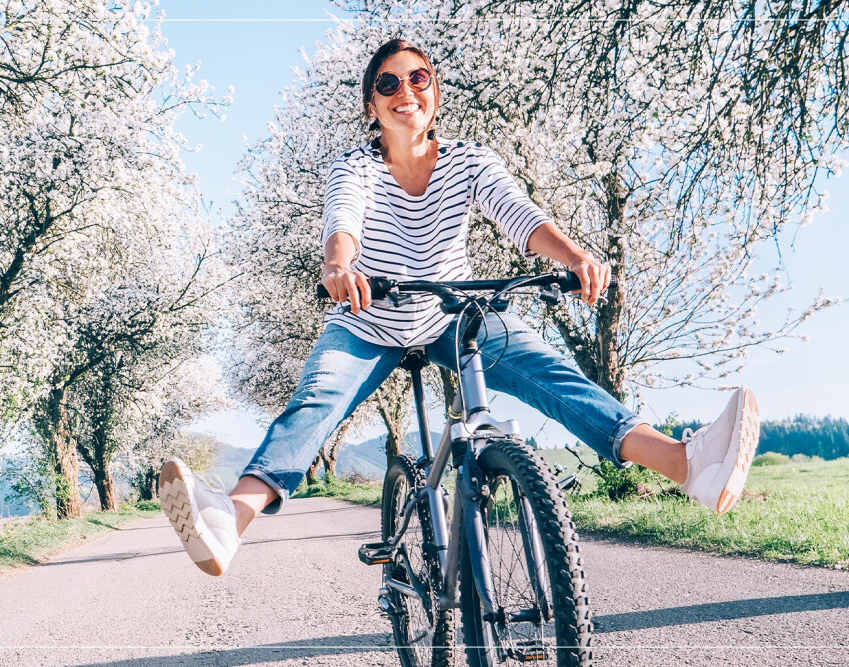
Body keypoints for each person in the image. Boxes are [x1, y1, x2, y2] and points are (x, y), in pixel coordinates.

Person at [158, 38, 760, 577]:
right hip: (370, 320)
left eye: (418, 78)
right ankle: (228, 522)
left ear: (435, 94)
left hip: (454, 314)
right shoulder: (357, 168)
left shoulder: (470, 161)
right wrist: (339, 267)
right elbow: (343, 224)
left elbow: (518, 213)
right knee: (315, 403)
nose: (405, 91)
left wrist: (575, 256)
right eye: (388, 84)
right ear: (372, 105)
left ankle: (686, 465)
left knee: (554, 376)